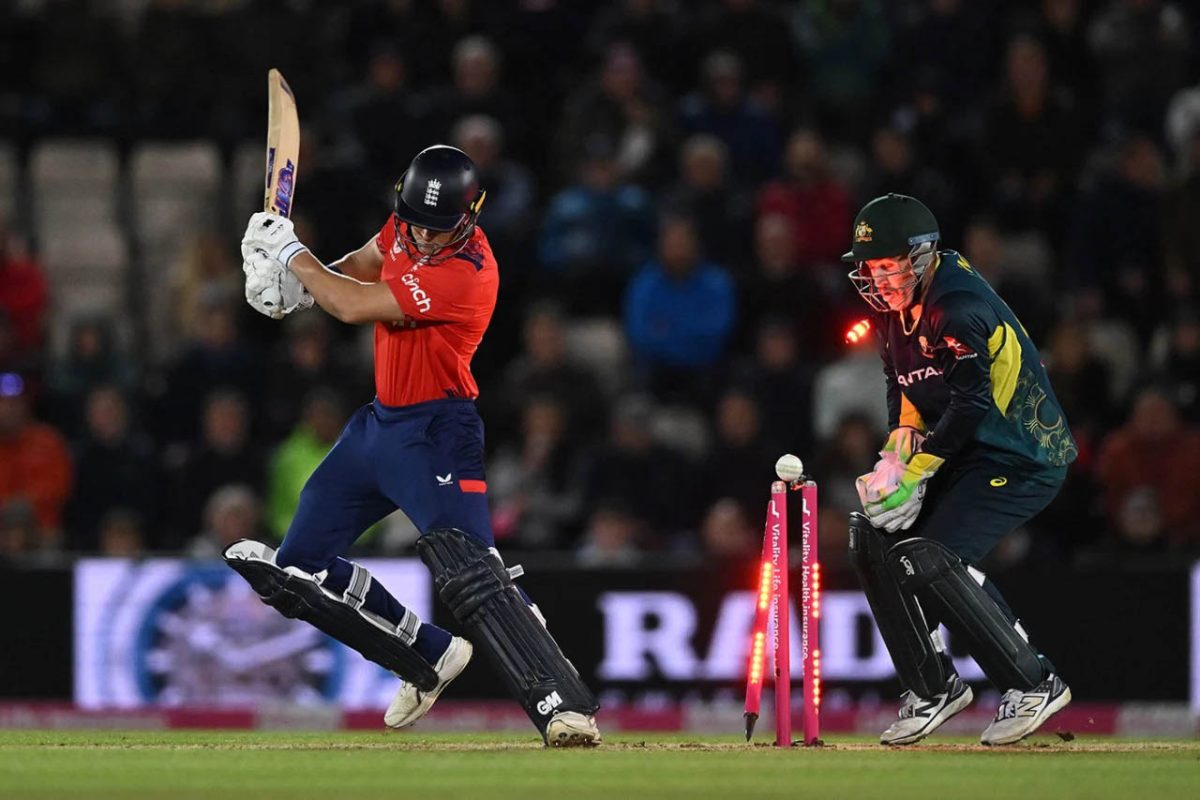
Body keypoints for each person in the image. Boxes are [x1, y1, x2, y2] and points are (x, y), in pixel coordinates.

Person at [232, 145, 600, 747]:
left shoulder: (467, 274)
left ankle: (563, 706)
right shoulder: (406, 224)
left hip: (437, 436)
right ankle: (427, 658)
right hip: (377, 426)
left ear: (470, 214)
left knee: (472, 575)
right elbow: (360, 267)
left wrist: (291, 254)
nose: (424, 240)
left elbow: (352, 305)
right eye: (417, 225)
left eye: (440, 229)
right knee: (298, 570)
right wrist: (298, 286)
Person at [842, 194, 1077, 746]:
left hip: (1021, 457)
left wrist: (917, 470)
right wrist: (898, 446)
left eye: (889, 265)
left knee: (931, 554)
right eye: (871, 268)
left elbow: (971, 405)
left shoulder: (957, 306)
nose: (880, 279)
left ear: (922, 257)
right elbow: (901, 380)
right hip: (967, 451)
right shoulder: (895, 307)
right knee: (869, 535)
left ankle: (1034, 682)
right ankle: (932, 688)